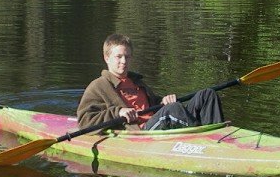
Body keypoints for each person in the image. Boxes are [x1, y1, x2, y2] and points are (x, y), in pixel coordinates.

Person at [77, 33, 224, 131]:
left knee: (207, 95)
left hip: (156, 122)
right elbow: (84, 121)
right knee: (173, 110)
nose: (124, 61)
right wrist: (118, 112)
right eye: (119, 56)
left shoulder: (136, 82)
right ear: (106, 58)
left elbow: (155, 105)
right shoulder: (98, 86)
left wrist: (163, 101)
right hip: (141, 132)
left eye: (127, 57)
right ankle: (204, 139)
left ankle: (219, 136)